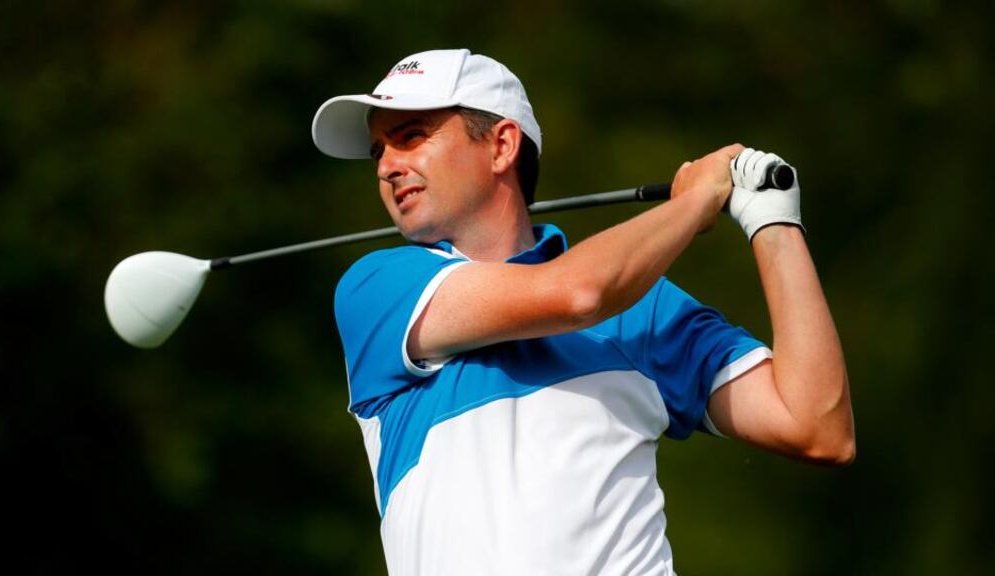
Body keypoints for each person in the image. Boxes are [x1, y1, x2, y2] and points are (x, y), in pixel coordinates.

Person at [311, 48, 854, 576]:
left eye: (410, 137)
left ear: (501, 146)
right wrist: (696, 201)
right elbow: (578, 295)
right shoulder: (378, 288)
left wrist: (772, 221)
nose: (387, 166)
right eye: (379, 149)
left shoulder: (642, 305)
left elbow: (817, 428)